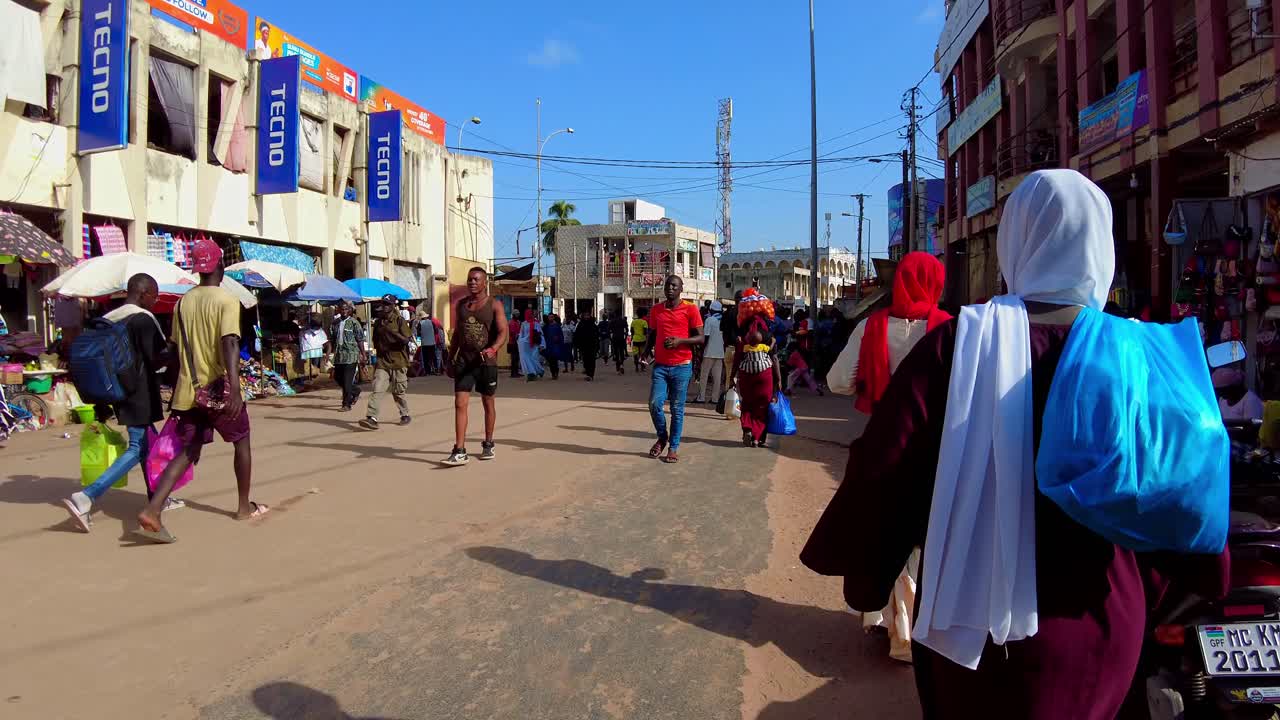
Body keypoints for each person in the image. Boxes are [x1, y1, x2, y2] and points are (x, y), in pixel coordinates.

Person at [800, 170, 1230, 718]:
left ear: (1015, 242)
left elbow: (886, 472)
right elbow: (1188, 490)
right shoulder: (1142, 357)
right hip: (1101, 623)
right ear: (1102, 246)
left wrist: (868, 579)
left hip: (973, 641)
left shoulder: (956, 348)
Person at [139, 239, 265, 543]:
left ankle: (154, 509)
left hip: (188, 391)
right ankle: (242, 507)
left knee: (188, 451)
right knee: (242, 443)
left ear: (197, 269)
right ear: (220, 265)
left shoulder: (183, 303)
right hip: (218, 387)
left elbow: (172, 349)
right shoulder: (226, 300)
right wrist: (235, 388)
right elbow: (229, 342)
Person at [63, 274, 176, 532]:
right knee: (137, 448)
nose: (155, 301)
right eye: (154, 295)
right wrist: (175, 348)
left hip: (119, 392)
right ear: (144, 293)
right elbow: (156, 359)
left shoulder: (111, 317)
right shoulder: (143, 319)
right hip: (139, 393)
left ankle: (156, 499)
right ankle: (87, 496)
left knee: (149, 447)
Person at [828, 251, 951, 415]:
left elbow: (839, 382)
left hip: (887, 426)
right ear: (937, 283)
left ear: (899, 280)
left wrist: (870, 384)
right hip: (937, 431)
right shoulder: (952, 327)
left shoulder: (869, 326)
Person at [443, 267, 508, 466]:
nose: (471, 282)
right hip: (464, 361)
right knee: (459, 403)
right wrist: (449, 358)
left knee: (488, 403)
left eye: (476, 279)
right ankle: (459, 449)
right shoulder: (461, 305)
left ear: (484, 282)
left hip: (485, 362)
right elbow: (457, 335)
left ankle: (488, 443)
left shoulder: (494, 305)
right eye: (469, 279)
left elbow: (503, 331)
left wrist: (494, 348)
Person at [640, 275, 705, 464]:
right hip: (660, 366)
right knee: (654, 403)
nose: (670, 288)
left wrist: (680, 341)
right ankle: (662, 436)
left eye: (674, 286)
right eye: (668, 285)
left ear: (680, 289)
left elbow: (701, 338)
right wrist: (645, 351)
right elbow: (652, 334)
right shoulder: (656, 310)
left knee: (677, 409)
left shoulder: (691, 309)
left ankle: (673, 448)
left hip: (682, 366)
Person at [727, 289, 782, 448]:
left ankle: (747, 429)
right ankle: (758, 438)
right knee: (762, 405)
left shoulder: (743, 336)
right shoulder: (768, 335)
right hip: (765, 375)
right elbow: (775, 357)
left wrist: (732, 377)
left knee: (747, 403)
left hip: (746, 374)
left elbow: (737, 358)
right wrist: (778, 379)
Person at [360, 294, 413, 430]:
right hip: (383, 361)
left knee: (398, 391)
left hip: (399, 361)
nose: (384, 307)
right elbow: (375, 341)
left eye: (387, 304)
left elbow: (406, 340)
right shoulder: (378, 322)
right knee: (378, 388)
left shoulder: (399, 321)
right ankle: (371, 418)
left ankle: (405, 414)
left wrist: (391, 332)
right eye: (383, 304)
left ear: (393, 306)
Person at [331, 301, 365, 412]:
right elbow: (332, 339)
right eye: (342, 309)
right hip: (339, 355)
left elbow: (360, 339)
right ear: (339, 310)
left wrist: (363, 354)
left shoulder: (354, 323)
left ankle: (346, 404)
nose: (344, 311)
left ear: (349, 310)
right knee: (337, 378)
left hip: (351, 355)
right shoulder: (335, 323)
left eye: (346, 309)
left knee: (347, 380)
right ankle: (355, 391)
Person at [693, 301, 726, 404]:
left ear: (711, 309)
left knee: (704, 375)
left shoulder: (709, 320)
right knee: (717, 378)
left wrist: (701, 350)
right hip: (720, 352)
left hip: (709, 352)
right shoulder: (723, 320)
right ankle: (715, 399)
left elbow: (705, 336)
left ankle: (701, 397)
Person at [517, 308, 544, 380]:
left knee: (534, 359)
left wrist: (542, 344)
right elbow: (521, 334)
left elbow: (540, 334)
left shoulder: (536, 323)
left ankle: (540, 371)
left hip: (534, 344)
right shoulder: (524, 323)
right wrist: (520, 341)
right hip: (525, 344)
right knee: (525, 358)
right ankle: (531, 373)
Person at [573, 309, 599, 381]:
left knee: (592, 360)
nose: (587, 317)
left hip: (592, 345)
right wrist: (576, 343)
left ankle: (591, 375)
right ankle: (588, 373)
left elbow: (597, 335)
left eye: (588, 315)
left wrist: (597, 346)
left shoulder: (593, 325)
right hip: (584, 346)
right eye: (585, 315)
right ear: (583, 316)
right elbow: (576, 335)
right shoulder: (580, 324)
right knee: (586, 360)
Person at [543, 314, 566, 380]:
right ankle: (553, 373)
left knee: (555, 360)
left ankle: (556, 372)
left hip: (555, 346)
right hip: (548, 345)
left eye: (552, 317)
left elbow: (561, 335)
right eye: (549, 317)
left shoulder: (557, 326)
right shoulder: (546, 327)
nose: (551, 318)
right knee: (550, 361)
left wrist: (558, 339)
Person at [418, 309, 438, 375]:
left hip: (424, 343)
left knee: (426, 358)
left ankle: (427, 371)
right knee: (433, 357)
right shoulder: (431, 322)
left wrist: (418, 343)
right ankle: (436, 369)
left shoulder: (420, 323)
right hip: (432, 342)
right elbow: (436, 331)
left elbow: (418, 334)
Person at [507, 308, 522, 378]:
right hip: (513, 342)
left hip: (517, 342)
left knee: (517, 358)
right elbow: (513, 333)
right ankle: (513, 373)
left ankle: (516, 372)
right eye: (517, 314)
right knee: (514, 358)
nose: (518, 315)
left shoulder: (517, 322)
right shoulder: (512, 323)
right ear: (514, 315)